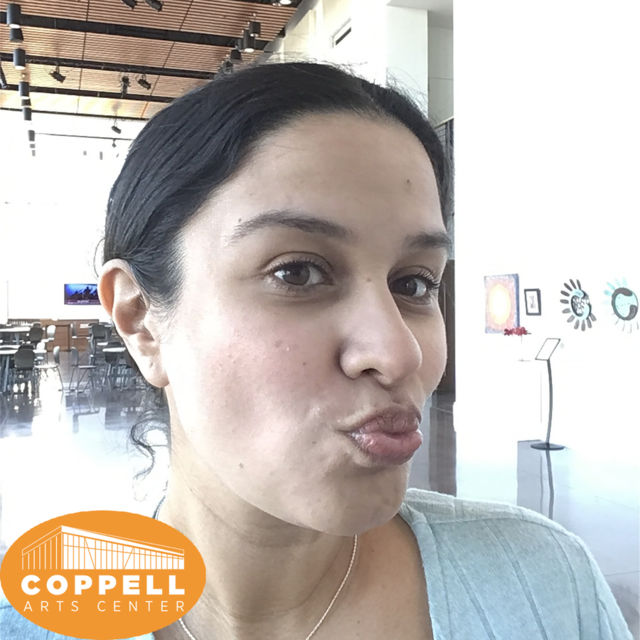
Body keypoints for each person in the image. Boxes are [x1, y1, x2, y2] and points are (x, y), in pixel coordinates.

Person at [0, 62, 631, 639]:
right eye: (297, 272)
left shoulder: (543, 586)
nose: (399, 353)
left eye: (415, 284)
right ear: (141, 320)